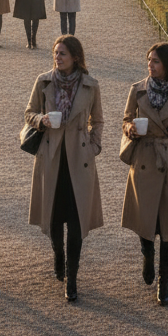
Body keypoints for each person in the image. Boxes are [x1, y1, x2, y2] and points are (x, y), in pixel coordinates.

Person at [24, 36, 103, 302]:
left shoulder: (90, 85)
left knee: (78, 219)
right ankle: (58, 254)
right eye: (56, 53)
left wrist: (93, 146)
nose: (57, 57)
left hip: (79, 159)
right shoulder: (43, 81)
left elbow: (98, 120)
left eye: (63, 53)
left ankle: (72, 277)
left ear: (75, 57)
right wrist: (41, 120)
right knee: (55, 217)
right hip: (52, 155)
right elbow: (29, 112)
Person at [120, 42, 168, 306]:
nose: (150, 65)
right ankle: (146, 252)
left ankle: (164, 283)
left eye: (155, 61)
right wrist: (130, 129)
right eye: (149, 60)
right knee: (145, 221)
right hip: (144, 158)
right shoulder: (137, 90)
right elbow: (126, 119)